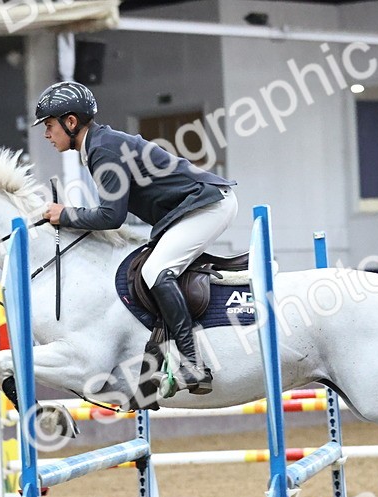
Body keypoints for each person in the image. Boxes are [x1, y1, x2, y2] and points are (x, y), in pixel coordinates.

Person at [35, 81, 237, 395]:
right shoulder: (100, 145)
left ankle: (192, 364)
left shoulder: (103, 149)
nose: (47, 134)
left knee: (155, 271)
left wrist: (66, 215)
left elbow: (111, 216)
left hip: (208, 207)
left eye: (49, 126)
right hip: (192, 209)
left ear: (70, 122)